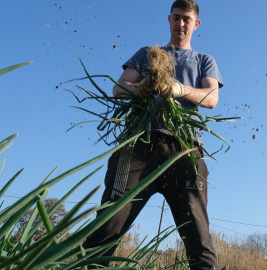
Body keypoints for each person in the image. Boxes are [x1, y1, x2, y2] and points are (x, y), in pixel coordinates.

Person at [83, 1, 223, 269]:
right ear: (169, 19)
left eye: (187, 19)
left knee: (199, 239)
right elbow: (119, 88)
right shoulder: (148, 53)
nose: (181, 23)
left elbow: (211, 98)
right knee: (107, 226)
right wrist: (144, 88)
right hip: (138, 145)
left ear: (196, 24)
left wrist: (179, 89)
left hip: (184, 150)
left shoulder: (205, 61)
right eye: (177, 18)